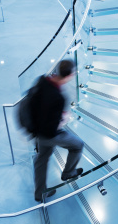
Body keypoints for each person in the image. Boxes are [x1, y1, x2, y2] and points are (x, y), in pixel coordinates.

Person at [32, 59, 84, 202]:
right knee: (78, 145)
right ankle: (68, 172)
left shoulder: (42, 80)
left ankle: (39, 193)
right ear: (67, 76)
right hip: (49, 134)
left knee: (42, 159)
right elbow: (53, 126)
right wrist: (64, 118)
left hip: (38, 131)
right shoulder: (58, 97)